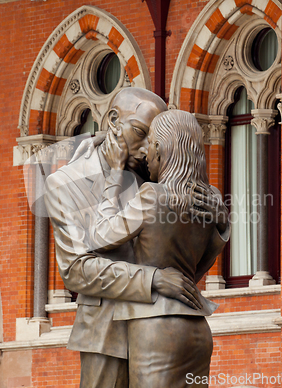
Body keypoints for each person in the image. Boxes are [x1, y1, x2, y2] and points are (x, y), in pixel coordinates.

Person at [44, 88, 224, 388]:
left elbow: (183, 270)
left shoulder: (158, 176)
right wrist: (152, 279)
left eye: (151, 138)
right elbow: (76, 270)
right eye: (139, 132)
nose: (144, 149)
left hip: (164, 329)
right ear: (114, 120)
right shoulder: (65, 183)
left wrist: (216, 225)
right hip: (106, 336)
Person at [91, 109, 230, 388]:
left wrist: (114, 176)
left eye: (151, 144)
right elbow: (199, 269)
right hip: (197, 330)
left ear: (160, 148)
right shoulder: (211, 199)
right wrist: (223, 225)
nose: (145, 155)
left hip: (154, 328)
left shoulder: (152, 195)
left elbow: (99, 236)